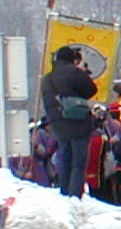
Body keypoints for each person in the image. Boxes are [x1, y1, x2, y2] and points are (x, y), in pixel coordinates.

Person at [38, 45, 98, 197]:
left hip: (58, 124)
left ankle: (64, 192)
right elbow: (91, 90)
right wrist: (82, 72)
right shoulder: (74, 72)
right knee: (78, 162)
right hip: (78, 121)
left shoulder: (47, 79)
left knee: (64, 157)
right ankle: (75, 195)